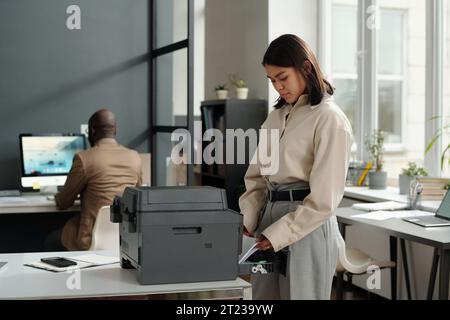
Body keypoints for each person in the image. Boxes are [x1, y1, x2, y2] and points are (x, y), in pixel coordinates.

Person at [239, 34, 353, 300]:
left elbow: (324, 201)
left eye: (283, 77)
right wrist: (248, 219)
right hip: (267, 221)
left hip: (307, 226)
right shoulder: (275, 118)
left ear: (305, 68)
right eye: (272, 81)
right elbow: (256, 178)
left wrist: (278, 234)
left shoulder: (330, 119)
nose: (278, 86)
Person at [44, 109, 142, 251]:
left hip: (90, 240)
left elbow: (63, 202)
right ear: (115, 130)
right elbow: (137, 196)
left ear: (92, 130)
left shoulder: (84, 158)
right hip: (126, 239)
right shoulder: (135, 157)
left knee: (50, 240)